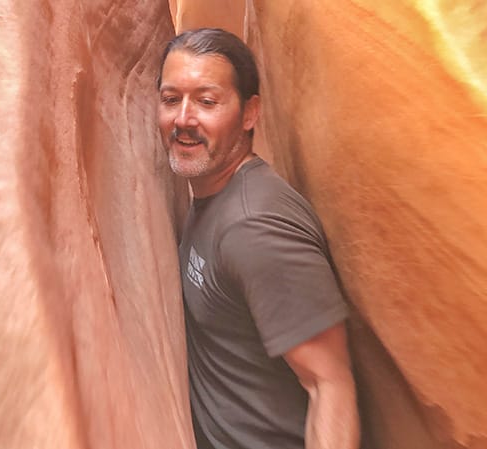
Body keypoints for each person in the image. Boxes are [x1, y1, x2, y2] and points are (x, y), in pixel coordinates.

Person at [157, 28, 360, 449]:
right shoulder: (213, 195)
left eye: (207, 101)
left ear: (250, 114)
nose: (183, 119)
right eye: (171, 99)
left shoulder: (254, 227)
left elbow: (330, 386)